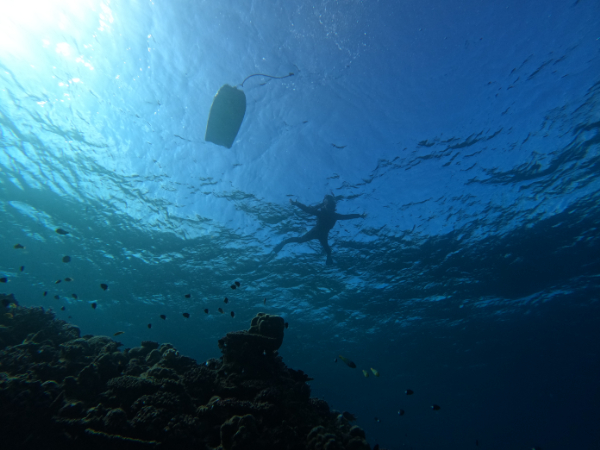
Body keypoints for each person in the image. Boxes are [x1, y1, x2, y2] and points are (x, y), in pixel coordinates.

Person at [270, 195, 366, 265]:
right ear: (324, 205)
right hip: (318, 232)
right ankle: (284, 242)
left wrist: (359, 215)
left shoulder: (332, 215)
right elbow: (307, 209)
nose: (327, 207)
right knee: (304, 241)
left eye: (329, 205)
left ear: (332, 206)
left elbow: (347, 216)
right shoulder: (325, 214)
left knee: (327, 250)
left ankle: (329, 257)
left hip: (321, 234)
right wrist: (296, 203)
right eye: (326, 205)